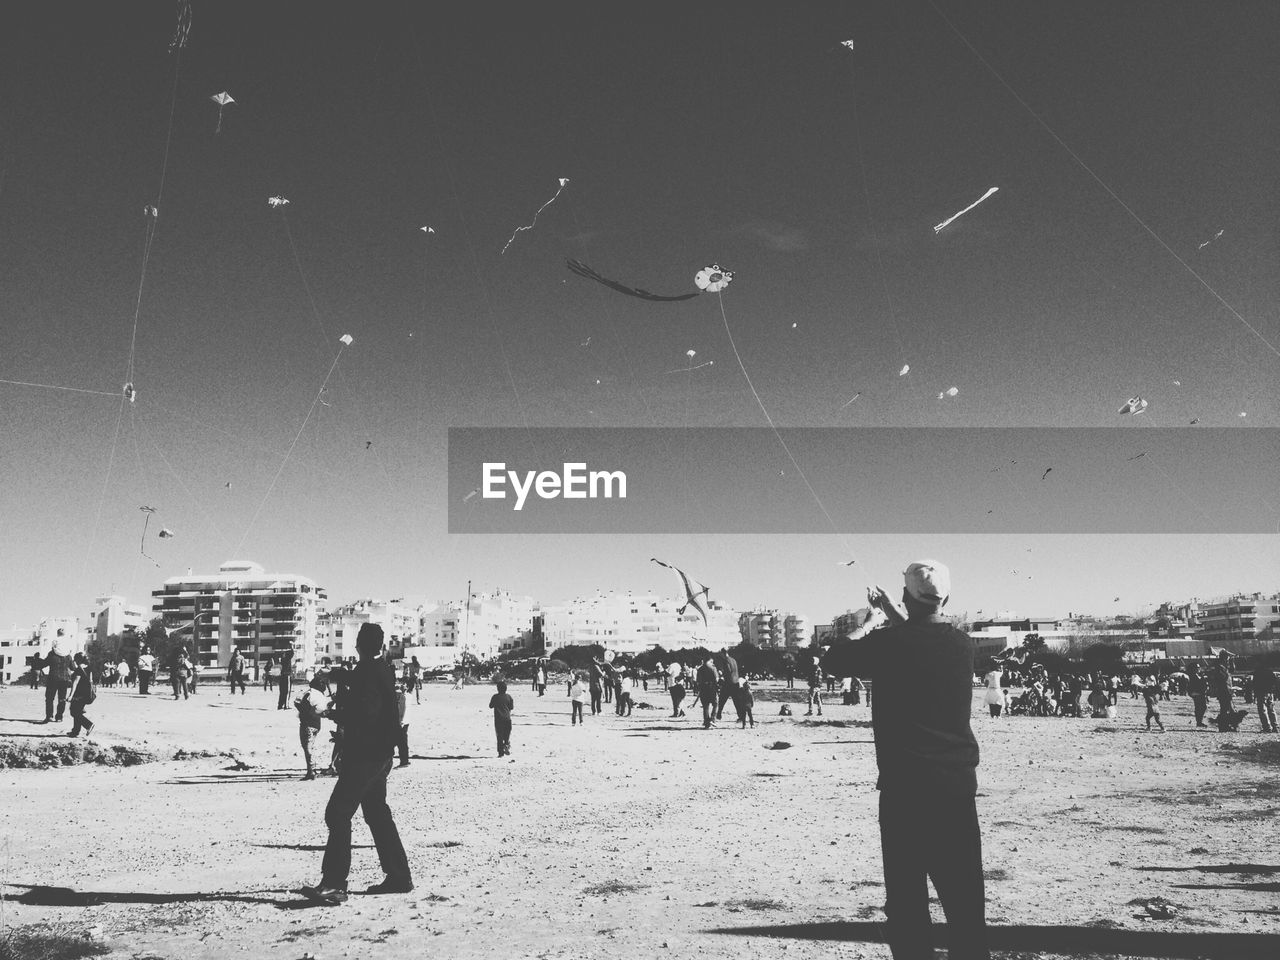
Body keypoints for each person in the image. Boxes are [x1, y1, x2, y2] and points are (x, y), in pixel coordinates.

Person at [824, 560, 989, 960]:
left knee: (907, 902)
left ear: (903, 597)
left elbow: (834, 659)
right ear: (947, 598)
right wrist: (896, 613)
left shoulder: (886, 644)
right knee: (965, 900)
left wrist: (869, 619)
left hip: (904, 790)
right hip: (956, 788)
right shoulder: (963, 645)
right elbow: (921, 636)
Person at [302, 624, 412, 905]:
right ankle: (399, 877)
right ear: (381, 646)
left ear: (359, 645)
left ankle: (335, 883)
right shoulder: (385, 670)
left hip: (365, 754)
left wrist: (329, 712)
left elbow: (365, 714)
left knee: (337, 813)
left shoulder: (366, 673)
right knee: (376, 813)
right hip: (383, 753)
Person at [296, 675, 328, 780]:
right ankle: (311, 770)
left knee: (307, 748)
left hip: (307, 723)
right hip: (317, 724)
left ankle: (311, 770)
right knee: (310, 746)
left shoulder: (309, 694)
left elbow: (301, 706)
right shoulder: (321, 696)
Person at [41, 632, 74, 724]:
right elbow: (73, 667)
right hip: (64, 679)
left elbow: (44, 664)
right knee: (62, 698)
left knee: (49, 698)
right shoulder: (68, 656)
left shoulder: (52, 654)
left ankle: (49, 716)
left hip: (53, 679)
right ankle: (59, 717)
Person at [67, 652, 95, 737]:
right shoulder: (89, 668)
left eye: (75, 660)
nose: (74, 662)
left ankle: (88, 725)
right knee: (78, 711)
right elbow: (91, 680)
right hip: (86, 693)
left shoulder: (79, 669)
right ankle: (75, 731)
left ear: (78, 660)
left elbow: (75, 683)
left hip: (79, 694)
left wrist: (70, 696)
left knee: (74, 712)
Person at [1210, 651, 1235, 732]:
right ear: (1224, 658)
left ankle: (1225, 725)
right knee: (1224, 709)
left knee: (1227, 708)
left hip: (1227, 690)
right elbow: (1222, 678)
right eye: (1227, 658)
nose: (1228, 660)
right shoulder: (1219, 667)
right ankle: (1223, 726)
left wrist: (1232, 662)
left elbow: (1232, 670)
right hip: (1223, 690)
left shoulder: (1224, 666)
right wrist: (1227, 670)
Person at [715, 650, 741, 722]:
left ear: (723, 653)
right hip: (736, 682)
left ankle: (719, 714)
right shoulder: (733, 660)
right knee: (736, 701)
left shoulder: (726, 660)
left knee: (722, 699)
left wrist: (722, 675)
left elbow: (728, 671)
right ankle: (741, 716)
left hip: (729, 683)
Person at [490, 680, 514, 757]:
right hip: (507, 719)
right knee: (507, 734)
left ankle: (500, 753)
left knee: (499, 736)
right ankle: (506, 744)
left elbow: (491, 706)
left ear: (497, 689)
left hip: (498, 719)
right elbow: (511, 707)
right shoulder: (509, 697)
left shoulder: (495, 697)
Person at [1252, 662, 1278, 734]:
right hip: (1270, 693)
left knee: (1262, 711)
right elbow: (1275, 682)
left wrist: (1255, 695)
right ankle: (1275, 727)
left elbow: (1255, 684)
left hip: (1261, 693)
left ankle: (1267, 727)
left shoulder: (1257, 672)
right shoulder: (1270, 672)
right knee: (1271, 710)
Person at [695, 658, 719, 729]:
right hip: (712, 688)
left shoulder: (700, 669)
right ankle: (712, 719)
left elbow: (698, 681)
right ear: (710, 661)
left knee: (705, 706)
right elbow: (716, 679)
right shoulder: (713, 668)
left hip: (703, 689)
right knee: (715, 704)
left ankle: (706, 723)